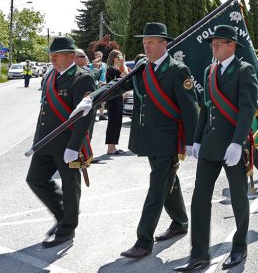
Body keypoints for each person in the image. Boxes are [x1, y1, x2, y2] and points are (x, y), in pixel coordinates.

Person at [73, 22, 199, 259]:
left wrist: (192, 140)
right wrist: (92, 98)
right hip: (148, 138)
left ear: (164, 43)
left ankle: (144, 241)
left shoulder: (177, 70)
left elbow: (190, 108)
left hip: (168, 140)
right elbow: (117, 85)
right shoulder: (142, 68)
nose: (146, 46)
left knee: (157, 187)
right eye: (144, 42)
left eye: (151, 42)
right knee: (167, 183)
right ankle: (180, 221)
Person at [174, 25, 257, 272]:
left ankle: (239, 247)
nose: (215, 46)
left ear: (232, 45)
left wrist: (237, 142)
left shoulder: (245, 70)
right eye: (213, 43)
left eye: (220, 43)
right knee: (200, 198)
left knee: (239, 198)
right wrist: (196, 139)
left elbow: (247, 110)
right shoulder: (210, 71)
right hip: (210, 145)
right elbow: (206, 108)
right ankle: (199, 254)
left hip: (232, 146)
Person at [27, 36, 96, 247]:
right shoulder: (51, 76)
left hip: (67, 144)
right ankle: (63, 214)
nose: (53, 60)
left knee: (70, 186)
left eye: (57, 56)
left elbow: (85, 116)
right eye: (52, 56)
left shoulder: (82, 78)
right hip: (46, 141)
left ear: (71, 56)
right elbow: (45, 110)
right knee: (35, 179)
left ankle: (67, 230)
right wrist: (37, 139)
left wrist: (74, 147)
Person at [104, 50, 127, 155]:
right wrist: (124, 64)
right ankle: (110, 148)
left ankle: (113, 146)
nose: (121, 58)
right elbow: (127, 75)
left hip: (117, 97)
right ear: (114, 58)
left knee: (118, 122)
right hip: (113, 98)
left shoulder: (114, 69)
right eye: (119, 57)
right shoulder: (111, 69)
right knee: (113, 122)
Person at [90, 51, 108, 120]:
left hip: (103, 83)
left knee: (103, 99)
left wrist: (105, 81)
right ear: (95, 56)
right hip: (96, 84)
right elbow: (92, 74)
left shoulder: (104, 64)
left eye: (101, 55)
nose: (100, 57)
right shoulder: (92, 65)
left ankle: (101, 115)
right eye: (98, 55)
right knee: (95, 99)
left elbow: (104, 73)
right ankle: (93, 115)